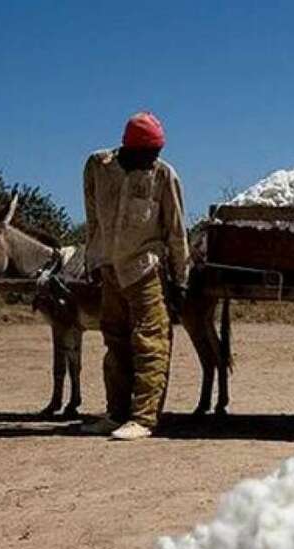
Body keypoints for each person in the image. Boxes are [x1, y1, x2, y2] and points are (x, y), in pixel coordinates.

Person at [81, 112, 189, 440]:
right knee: (115, 341)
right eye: (148, 152)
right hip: (111, 268)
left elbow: (176, 230)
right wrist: (93, 260)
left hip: (145, 269)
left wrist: (181, 277)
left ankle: (143, 418)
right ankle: (116, 413)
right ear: (130, 147)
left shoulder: (164, 175)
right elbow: (92, 217)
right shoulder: (98, 167)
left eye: (157, 151)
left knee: (150, 342)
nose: (153, 158)